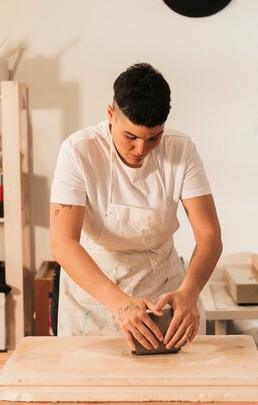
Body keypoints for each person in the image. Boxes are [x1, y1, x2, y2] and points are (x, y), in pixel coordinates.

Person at [49, 62, 222, 352]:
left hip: (162, 288)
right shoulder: (78, 151)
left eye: (154, 138)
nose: (141, 149)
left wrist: (189, 292)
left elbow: (209, 236)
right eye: (130, 136)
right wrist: (119, 304)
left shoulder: (182, 149)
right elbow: (62, 242)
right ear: (110, 115)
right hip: (94, 293)